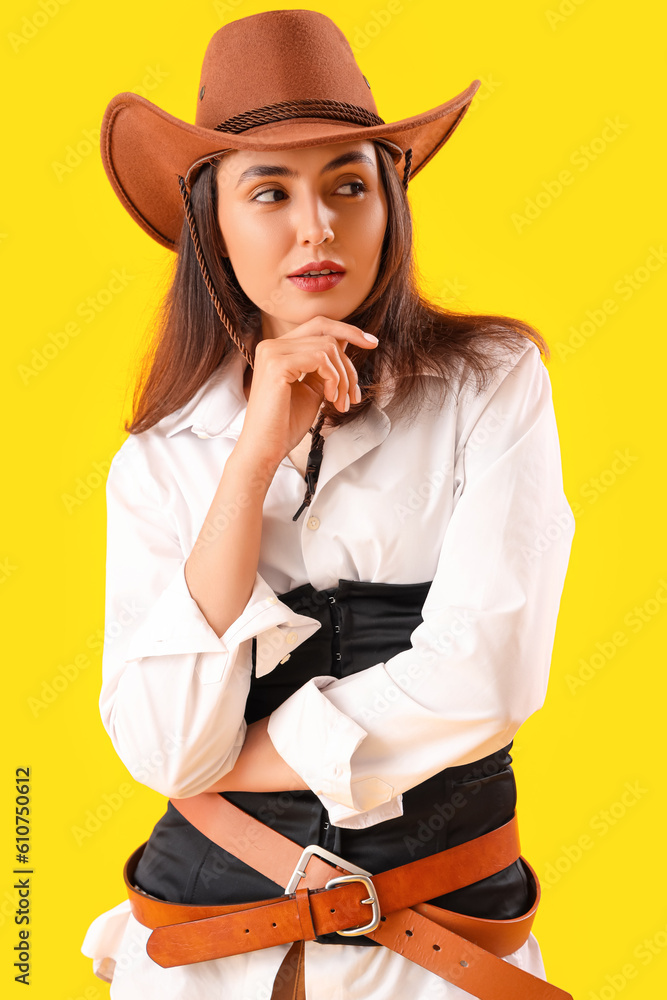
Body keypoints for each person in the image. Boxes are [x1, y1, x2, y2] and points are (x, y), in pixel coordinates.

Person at [81, 10, 575, 999]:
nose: (317, 227)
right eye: (270, 191)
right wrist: (252, 453)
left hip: (445, 954)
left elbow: (489, 673)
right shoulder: (160, 459)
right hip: (197, 955)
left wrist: (252, 756)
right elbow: (165, 748)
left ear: (389, 204)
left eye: (349, 184)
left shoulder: (490, 381)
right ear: (211, 223)